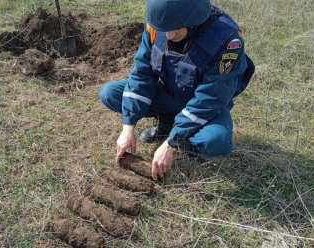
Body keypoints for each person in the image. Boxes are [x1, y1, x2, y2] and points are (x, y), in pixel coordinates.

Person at [99, 0, 255, 180]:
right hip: (168, 94)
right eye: (164, 29)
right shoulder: (158, 24)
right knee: (110, 93)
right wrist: (128, 128)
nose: (169, 36)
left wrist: (170, 144)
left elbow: (211, 98)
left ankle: (184, 138)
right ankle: (167, 122)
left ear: (193, 20)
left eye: (175, 29)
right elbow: (142, 74)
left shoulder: (227, 41)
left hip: (204, 105)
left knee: (217, 141)